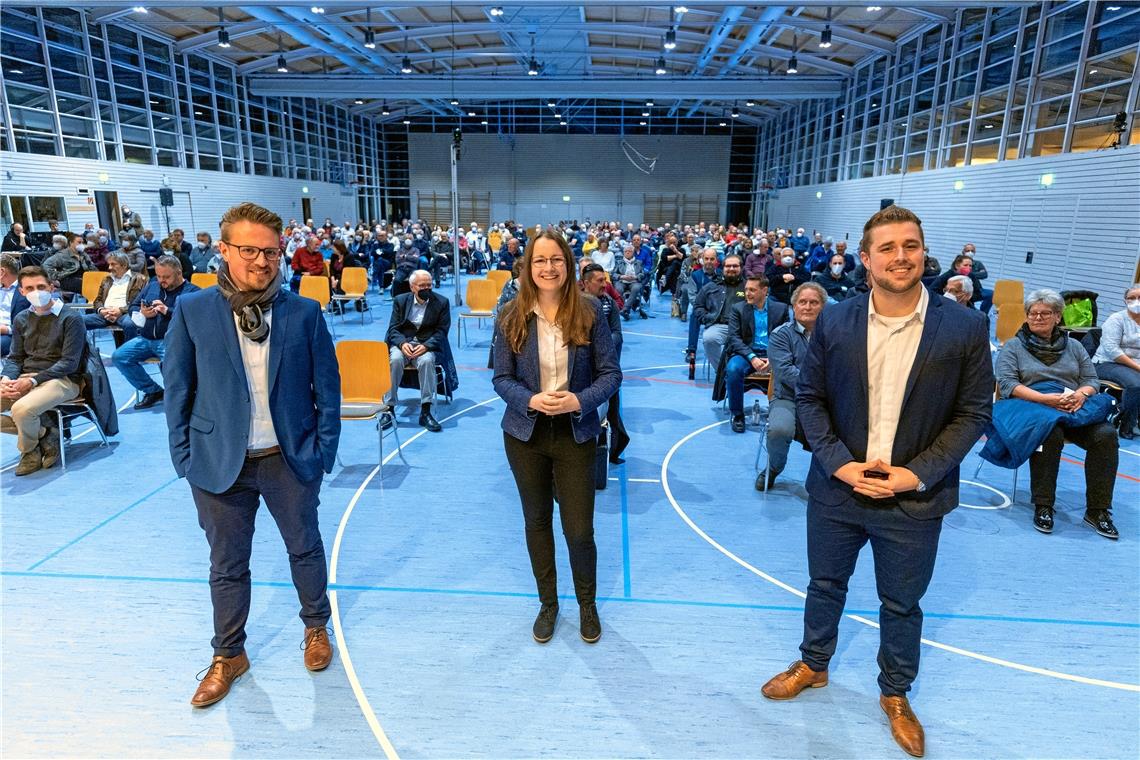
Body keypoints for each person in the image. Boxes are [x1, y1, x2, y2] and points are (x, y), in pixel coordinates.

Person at [761, 205, 993, 759]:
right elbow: (810, 399)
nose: (900, 257)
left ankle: (895, 694)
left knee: (902, 604)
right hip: (839, 490)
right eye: (887, 248)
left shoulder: (964, 326)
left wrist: (916, 473)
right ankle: (814, 664)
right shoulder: (836, 321)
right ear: (865, 259)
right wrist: (839, 464)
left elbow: (973, 413)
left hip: (915, 496)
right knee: (824, 585)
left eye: (910, 245)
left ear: (923, 251)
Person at [164, 202, 341, 708]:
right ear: (223, 250)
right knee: (226, 564)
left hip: (289, 459)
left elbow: (327, 388)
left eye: (271, 251)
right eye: (249, 251)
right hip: (218, 463)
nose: (262, 261)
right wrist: (184, 457)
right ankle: (229, 655)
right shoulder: (193, 310)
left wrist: (323, 451)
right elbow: (177, 388)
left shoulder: (303, 312)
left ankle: (315, 627)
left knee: (304, 548)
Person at [492, 231, 621, 645]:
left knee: (579, 530)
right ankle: (548, 603)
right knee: (537, 522)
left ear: (568, 264)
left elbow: (610, 375)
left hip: (575, 433)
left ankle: (587, 604)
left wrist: (578, 402)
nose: (548, 268)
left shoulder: (590, 311)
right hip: (524, 434)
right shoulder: (510, 314)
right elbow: (501, 378)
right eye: (539, 261)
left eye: (556, 260)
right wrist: (530, 398)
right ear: (528, 268)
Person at [989, 289, 1118, 538]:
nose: (1038, 318)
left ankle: (1098, 510)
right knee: (1050, 433)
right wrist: (1045, 399)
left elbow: (1091, 379)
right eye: (1032, 313)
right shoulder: (1014, 347)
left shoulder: (1075, 346)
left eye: (1045, 313)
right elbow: (1006, 385)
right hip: (1031, 404)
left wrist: (1081, 395)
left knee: (1106, 434)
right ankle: (1044, 504)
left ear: (1058, 317)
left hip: (1072, 405)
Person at [0, 266, 86, 475]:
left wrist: (32, 381)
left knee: (22, 410)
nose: (36, 292)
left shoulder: (70, 318)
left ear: (51, 286)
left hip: (63, 380)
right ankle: (45, 432)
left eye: (41, 286)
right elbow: (15, 358)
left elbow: (69, 363)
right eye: (29, 288)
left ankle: (29, 451)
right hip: (26, 376)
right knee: (19, 407)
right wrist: (5, 378)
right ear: (21, 291)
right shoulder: (21, 318)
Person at [760, 282, 825, 490]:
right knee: (779, 429)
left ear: (823, 307)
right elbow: (786, 372)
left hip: (823, 401)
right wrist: (820, 384)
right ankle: (774, 468)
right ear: (793, 306)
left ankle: (823, 479)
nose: (807, 307)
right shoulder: (781, 335)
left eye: (814, 302)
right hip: (787, 398)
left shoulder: (832, 334)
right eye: (802, 302)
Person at [112, 255, 198, 410]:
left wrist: (168, 311)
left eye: (166, 277)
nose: (161, 280)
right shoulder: (152, 286)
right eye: (158, 276)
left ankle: (181, 397)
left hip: (172, 341)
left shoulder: (192, 292)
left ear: (179, 273)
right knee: (119, 357)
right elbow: (133, 306)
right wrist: (141, 312)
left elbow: (195, 318)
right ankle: (153, 391)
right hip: (145, 339)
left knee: (171, 369)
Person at [721, 275, 789, 432]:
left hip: (773, 353)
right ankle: (737, 414)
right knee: (733, 369)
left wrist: (773, 358)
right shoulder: (738, 309)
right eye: (746, 289)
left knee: (790, 369)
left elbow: (786, 337)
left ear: (764, 291)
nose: (747, 293)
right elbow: (734, 338)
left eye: (752, 290)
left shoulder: (781, 309)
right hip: (746, 353)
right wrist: (752, 357)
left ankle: (780, 412)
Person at [385, 270, 449, 432]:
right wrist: (401, 344)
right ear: (412, 287)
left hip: (425, 344)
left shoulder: (441, 302)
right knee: (395, 360)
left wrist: (426, 345)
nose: (426, 288)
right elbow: (393, 329)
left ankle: (426, 411)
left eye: (429, 285)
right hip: (404, 344)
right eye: (422, 285)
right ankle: (389, 408)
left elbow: (442, 331)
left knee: (427, 361)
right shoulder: (400, 301)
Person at [1093, 285, 1140, 439]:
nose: (1136, 301)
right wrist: (1138, 367)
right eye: (1131, 298)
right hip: (1107, 363)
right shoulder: (1116, 319)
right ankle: (1125, 423)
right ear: (1125, 301)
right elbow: (1113, 351)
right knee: (1136, 384)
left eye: (1139, 298)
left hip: (1134, 366)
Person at [83, 252, 147, 347]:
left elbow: (141, 302)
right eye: (109, 264)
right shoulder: (107, 279)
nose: (109, 268)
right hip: (105, 314)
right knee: (75, 320)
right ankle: (82, 355)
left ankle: (129, 354)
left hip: (126, 313)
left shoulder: (140, 279)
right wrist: (101, 310)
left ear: (124, 265)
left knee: (130, 324)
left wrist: (120, 310)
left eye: (113, 264)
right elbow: (98, 300)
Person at [695, 253, 746, 370]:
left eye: (735, 266)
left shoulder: (748, 286)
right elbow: (698, 306)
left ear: (741, 268)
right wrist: (707, 317)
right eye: (728, 266)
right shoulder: (711, 286)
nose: (731, 269)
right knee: (709, 338)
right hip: (719, 325)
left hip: (744, 328)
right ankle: (723, 373)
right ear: (722, 268)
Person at [1, 255, 30, 356]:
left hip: (11, 334)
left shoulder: (27, 290)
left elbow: (32, 323)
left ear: (2, 272)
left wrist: (6, 329)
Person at [613, 244, 646, 320]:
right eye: (626, 251)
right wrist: (621, 276)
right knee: (618, 289)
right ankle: (623, 309)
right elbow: (613, 274)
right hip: (622, 281)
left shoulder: (639, 262)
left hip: (634, 281)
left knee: (636, 288)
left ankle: (625, 309)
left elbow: (643, 274)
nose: (627, 253)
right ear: (623, 253)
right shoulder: (619, 262)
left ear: (633, 253)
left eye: (630, 251)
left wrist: (635, 277)